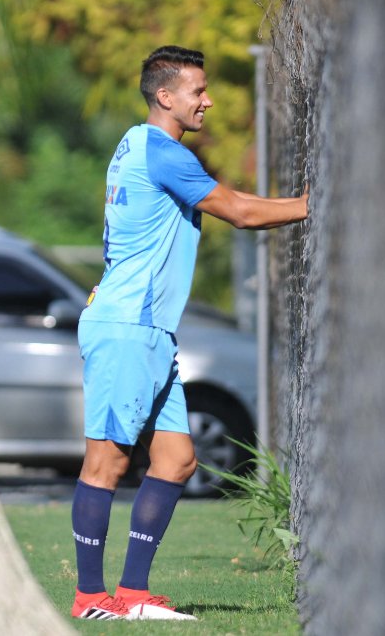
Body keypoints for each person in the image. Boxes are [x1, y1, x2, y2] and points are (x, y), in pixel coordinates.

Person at [70, 45, 309, 621]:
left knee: (176, 460)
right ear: (165, 96)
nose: (208, 100)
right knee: (105, 464)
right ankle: (89, 598)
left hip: (149, 331)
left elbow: (235, 202)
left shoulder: (138, 142)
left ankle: (131, 595)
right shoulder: (163, 153)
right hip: (128, 326)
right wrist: (312, 204)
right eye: (198, 91)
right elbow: (241, 213)